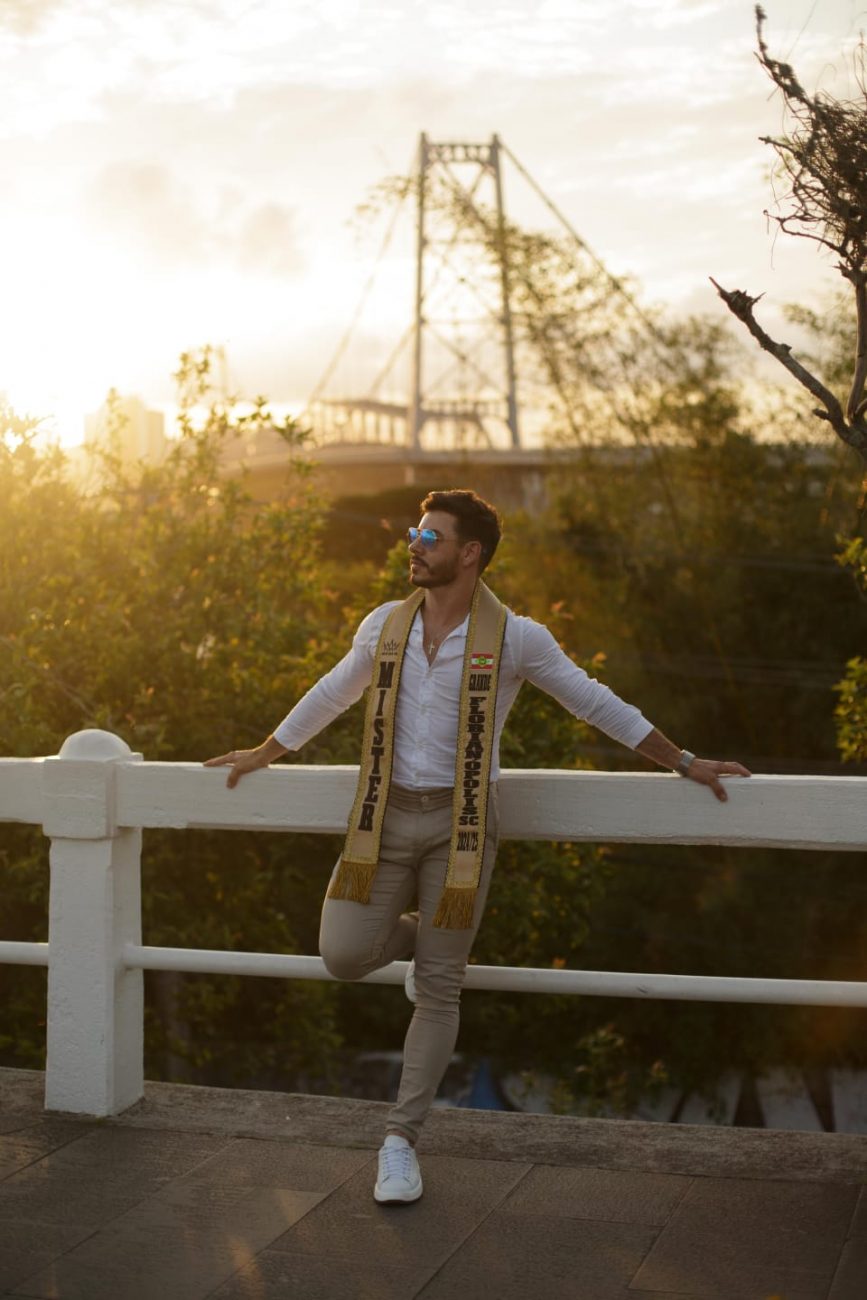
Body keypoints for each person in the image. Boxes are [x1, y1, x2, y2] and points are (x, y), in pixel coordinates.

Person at [205, 488, 751, 1206]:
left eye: (429, 537)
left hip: (463, 826)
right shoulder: (382, 626)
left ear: (469, 554)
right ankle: (413, 937)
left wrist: (683, 761)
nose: (414, 545)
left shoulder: (517, 637)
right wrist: (265, 751)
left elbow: (595, 702)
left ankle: (399, 1142)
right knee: (341, 953)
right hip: (383, 817)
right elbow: (332, 693)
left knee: (438, 985)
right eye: (415, 533)